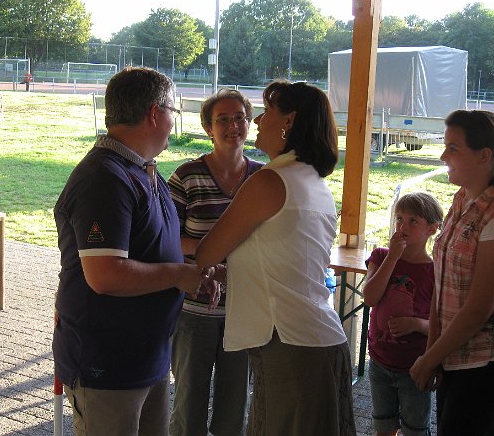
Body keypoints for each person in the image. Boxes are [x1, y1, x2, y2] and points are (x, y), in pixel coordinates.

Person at [53, 66, 216, 436]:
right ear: (155, 114)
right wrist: (179, 275)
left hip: (145, 356)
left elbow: (152, 245)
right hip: (108, 364)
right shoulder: (104, 178)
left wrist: (195, 271)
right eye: (173, 111)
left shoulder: (140, 169)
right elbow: (106, 275)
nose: (174, 121)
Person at [195, 80, 356, 436]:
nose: (257, 121)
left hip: (289, 344)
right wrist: (230, 273)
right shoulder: (313, 180)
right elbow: (284, 264)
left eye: (267, 112)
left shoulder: (269, 181)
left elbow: (207, 252)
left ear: (289, 121)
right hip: (317, 338)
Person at [168, 89, 264, 436]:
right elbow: (167, 239)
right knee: (188, 402)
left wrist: (226, 264)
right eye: (223, 119)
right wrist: (212, 258)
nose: (233, 125)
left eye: (240, 117)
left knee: (234, 406)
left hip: (244, 309)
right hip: (194, 309)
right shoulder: (187, 176)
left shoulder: (264, 179)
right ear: (208, 128)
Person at [410, 110, 494, 436]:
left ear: (485, 155)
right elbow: (441, 281)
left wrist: (431, 359)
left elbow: (478, 309)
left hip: (481, 365)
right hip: (451, 356)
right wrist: (433, 352)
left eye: (453, 148)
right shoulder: (461, 200)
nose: (443, 156)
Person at [363, 192, 443, 436]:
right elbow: (370, 298)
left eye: (413, 221)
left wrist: (416, 324)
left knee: (415, 429)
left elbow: (441, 325)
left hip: (414, 366)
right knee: (383, 426)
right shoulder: (381, 256)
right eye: (399, 218)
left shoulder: (435, 270)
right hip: (379, 361)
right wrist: (393, 257)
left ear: (432, 229)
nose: (402, 226)